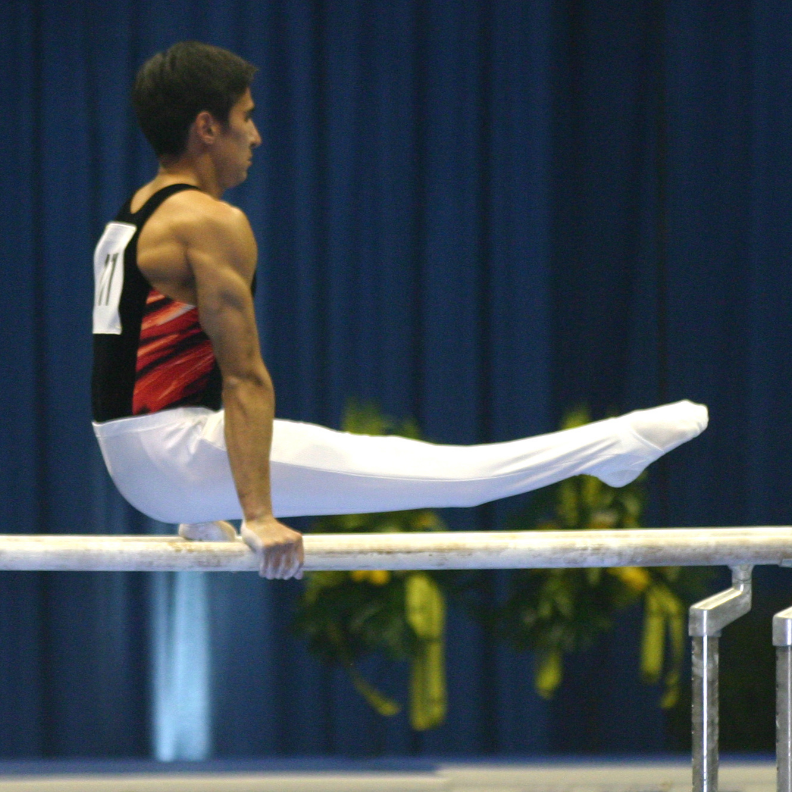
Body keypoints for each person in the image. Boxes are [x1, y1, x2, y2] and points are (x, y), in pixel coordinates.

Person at [91, 42, 708, 582]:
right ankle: (615, 447)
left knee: (434, 469)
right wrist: (257, 514)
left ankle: (613, 450)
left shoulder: (132, 214)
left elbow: (133, 367)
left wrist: (196, 503)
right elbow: (243, 375)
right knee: (460, 477)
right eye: (246, 118)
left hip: (139, 465)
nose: (256, 135)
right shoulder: (209, 221)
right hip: (176, 455)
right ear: (206, 127)